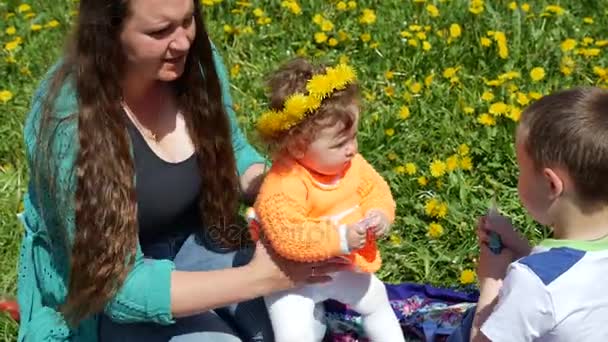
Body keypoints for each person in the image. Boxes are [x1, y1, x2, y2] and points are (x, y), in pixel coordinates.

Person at [16, 0, 351, 341]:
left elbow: (230, 147)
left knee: (303, 320)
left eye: (187, 21)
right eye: (159, 31)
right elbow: (119, 288)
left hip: (198, 242)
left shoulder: (191, 63)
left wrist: (286, 190)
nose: (182, 42)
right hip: (109, 297)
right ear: (107, 32)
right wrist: (264, 277)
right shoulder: (68, 120)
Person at [245, 58, 405, 342]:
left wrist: (380, 214)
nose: (352, 149)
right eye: (339, 144)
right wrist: (340, 238)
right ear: (296, 146)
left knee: (376, 300)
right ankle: (314, 324)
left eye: (354, 137)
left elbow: (375, 190)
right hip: (290, 279)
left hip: (341, 267)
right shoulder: (283, 183)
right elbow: (288, 234)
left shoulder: (353, 165)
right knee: (294, 333)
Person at [448, 86, 608, 342]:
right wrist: (522, 249)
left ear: (551, 185)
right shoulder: (554, 277)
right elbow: (570, 284)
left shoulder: (531, 286)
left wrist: (492, 280)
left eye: (521, 169)